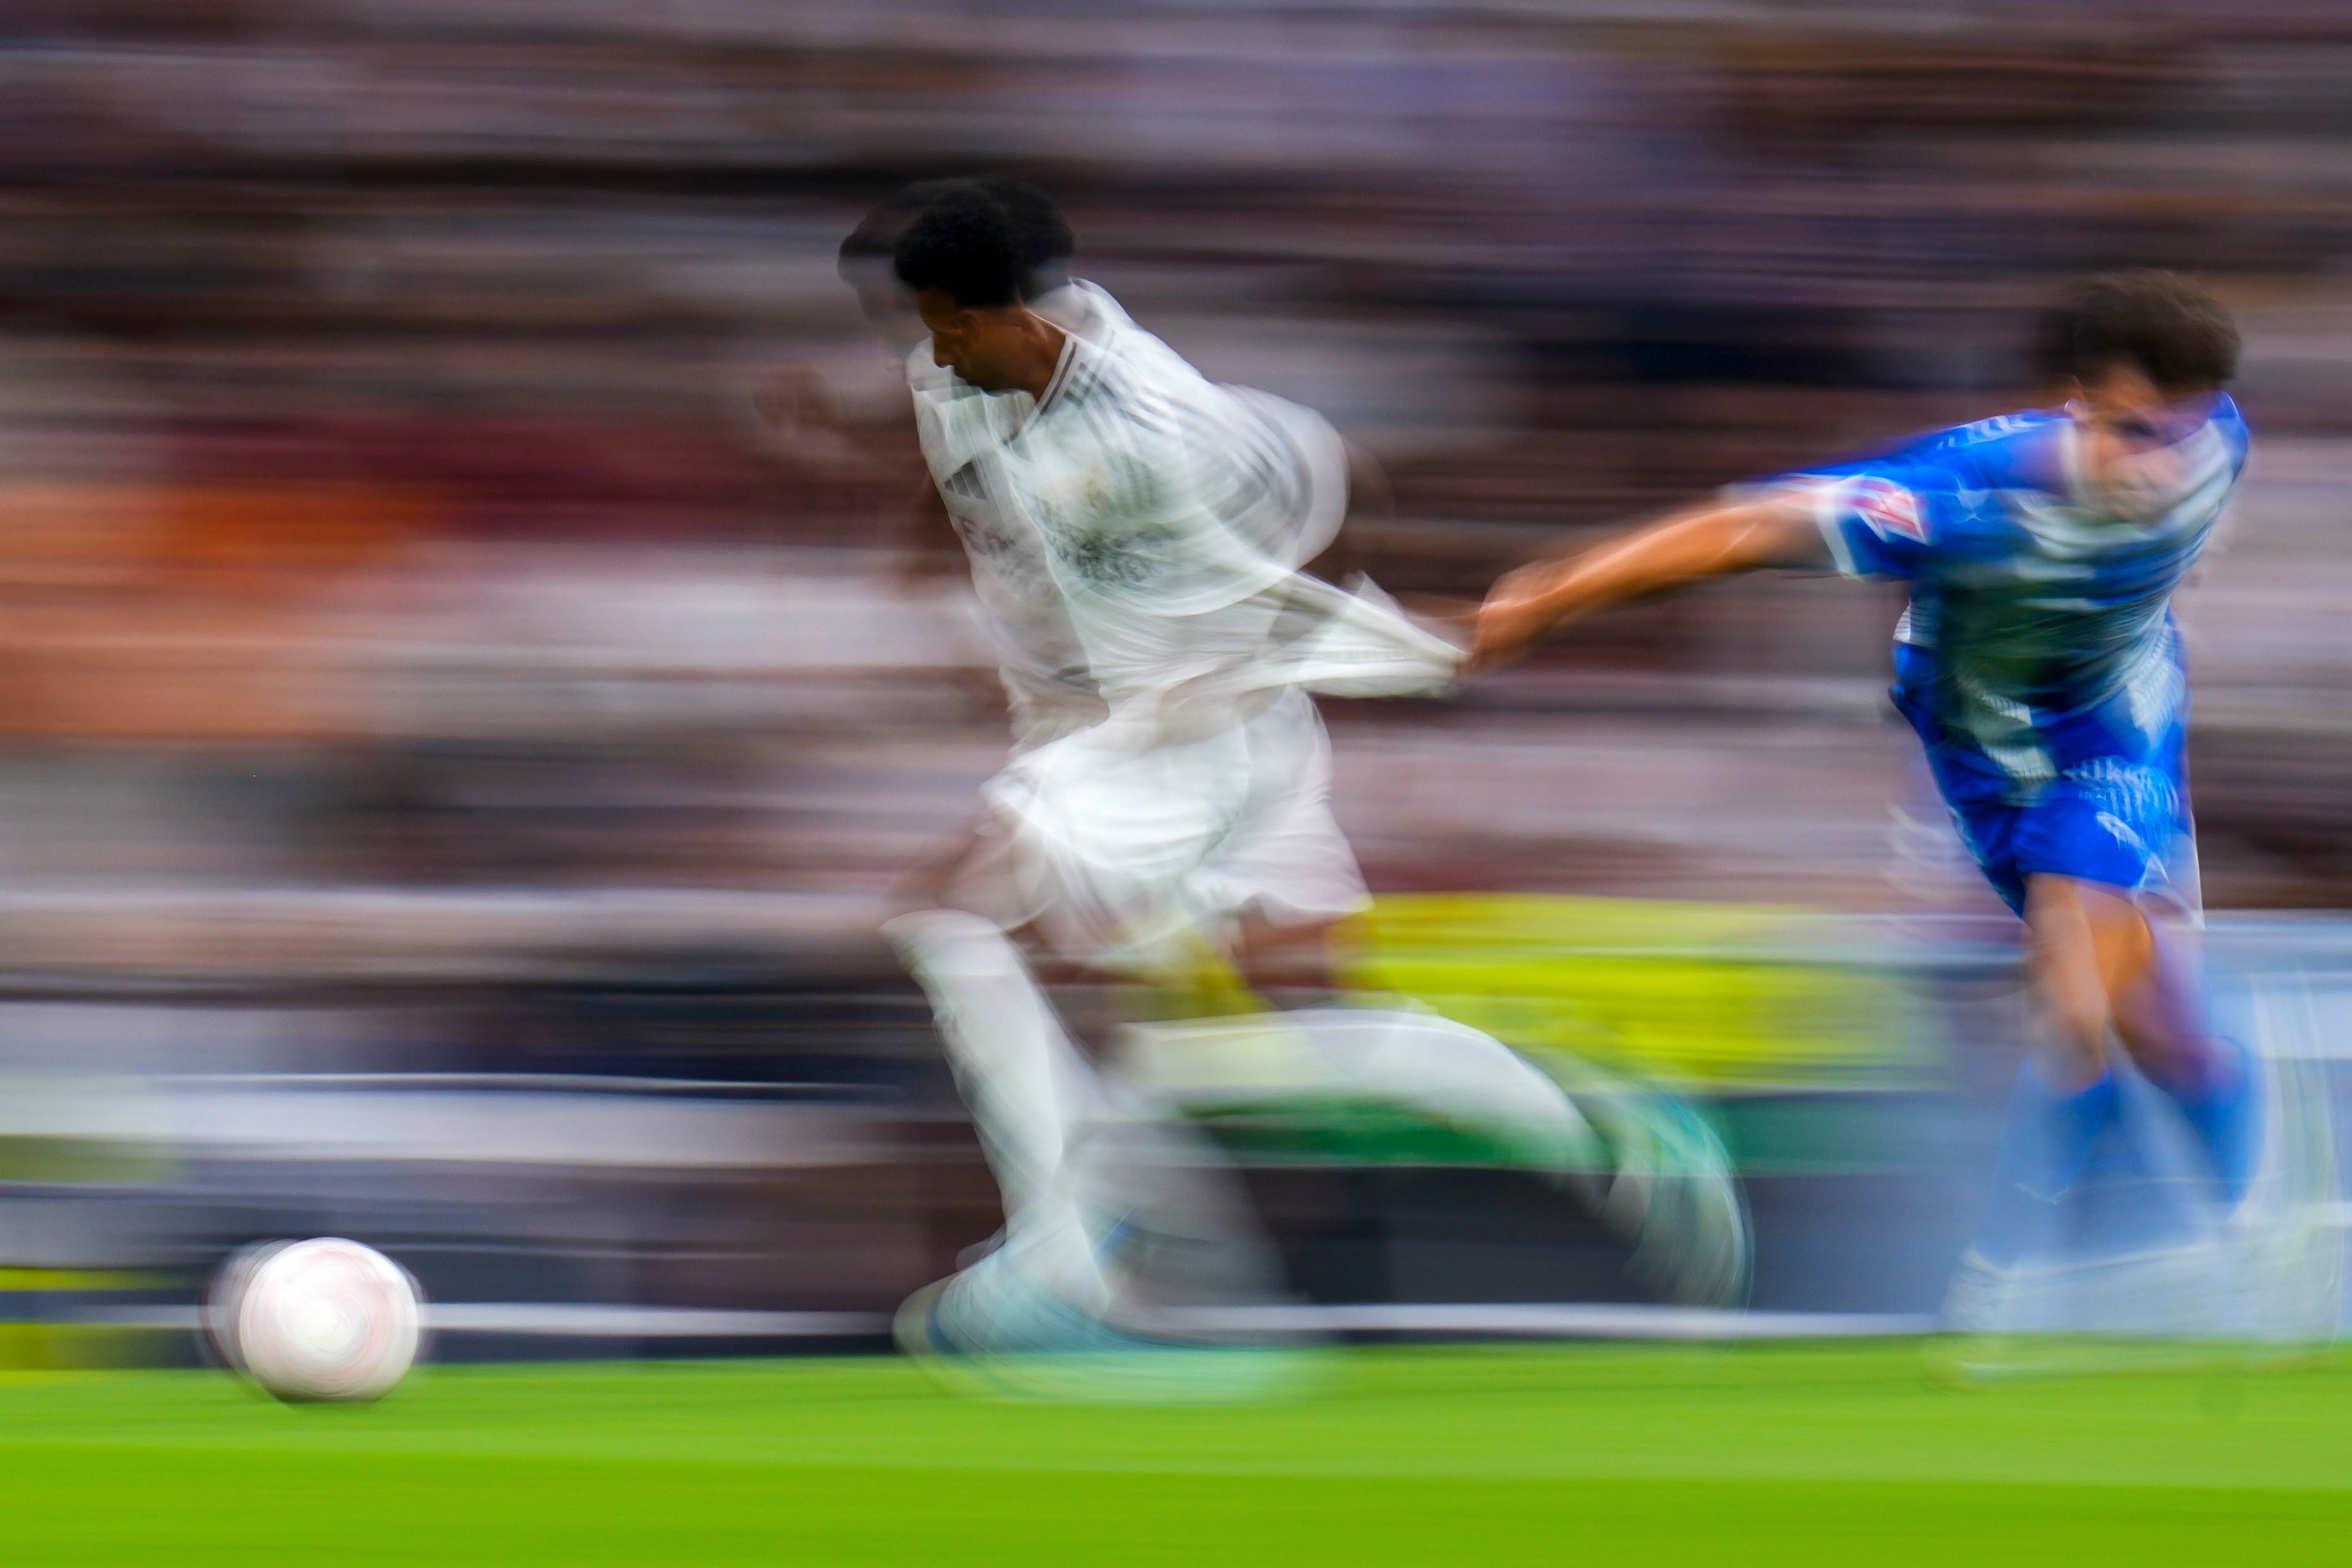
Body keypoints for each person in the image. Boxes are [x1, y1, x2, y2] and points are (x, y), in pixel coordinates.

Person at [856, 185, 1724, 1392]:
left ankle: (1071, 1260)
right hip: (1181, 725)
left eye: (954, 326)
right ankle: (1597, 1120)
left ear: (1023, 316)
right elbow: (961, 476)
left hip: (1186, 724)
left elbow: (1287, 554)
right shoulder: (964, 372)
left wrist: (1434, 642)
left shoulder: (1162, 433)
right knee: (1283, 1027)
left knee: (955, 919)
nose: (936, 349)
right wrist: (935, 579)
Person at [1473, 271, 2264, 1333]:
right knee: (2159, 1026)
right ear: (2076, 400)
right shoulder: (1967, 492)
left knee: (2073, 978)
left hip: (2116, 735)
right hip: (1980, 754)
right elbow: (1746, 529)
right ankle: (2230, 1230)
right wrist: (1555, 589)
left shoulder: (2223, 444)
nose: (2158, 466)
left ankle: (2035, 1276)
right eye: (2132, 432)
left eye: (2179, 433)